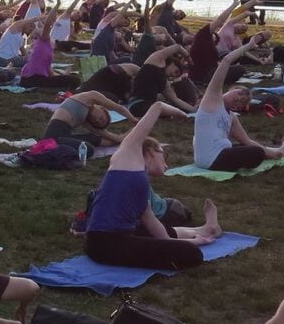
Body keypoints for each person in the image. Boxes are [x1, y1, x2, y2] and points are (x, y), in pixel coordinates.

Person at [84, 103, 223, 270]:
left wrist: (192, 241)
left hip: (119, 236)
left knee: (150, 230)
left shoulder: (141, 180)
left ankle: (206, 229)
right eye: (163, 156)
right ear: (150, 151)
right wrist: (178, 112)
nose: (165, 164)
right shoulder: (126, 158)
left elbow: (153, 224)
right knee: (192, 255)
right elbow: (157, 106)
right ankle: (201, 233)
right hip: (105, 243)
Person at [193, 47, 284, 172]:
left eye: (242, 101)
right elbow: (226, 60)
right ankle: (279, 150)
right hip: (212, 159)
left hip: (219, 154)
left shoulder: (231, 117)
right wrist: (249, 45)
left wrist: (271, 153)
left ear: (238, 108)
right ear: (232, 89)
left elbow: (246, 140)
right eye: (240, 93)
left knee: (250, 147)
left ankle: (281, 150)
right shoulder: (212, 101)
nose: (239, 98)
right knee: (256, 153)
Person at [42, 91, 124, 152]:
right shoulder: (90, 97)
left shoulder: (83, 118)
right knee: (88, 149)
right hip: (53, 136)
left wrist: (122, 138)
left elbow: (104, 133)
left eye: (96, 122)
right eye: (101, 118)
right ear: (102, 109)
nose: (97, 120)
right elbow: (116, 107)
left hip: (59, 137)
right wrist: (132, 119)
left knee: (89, 142)